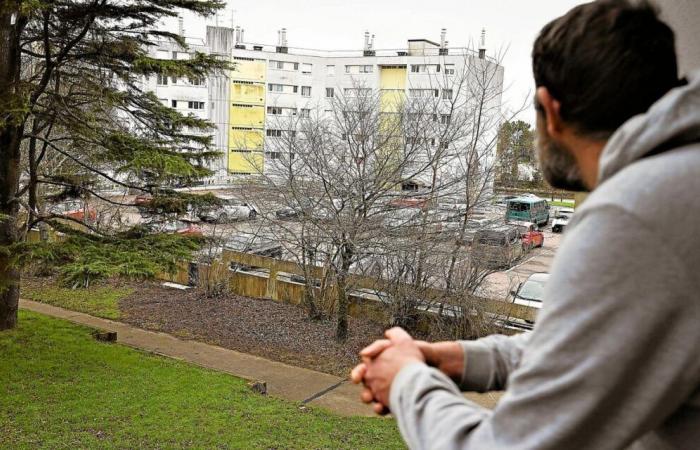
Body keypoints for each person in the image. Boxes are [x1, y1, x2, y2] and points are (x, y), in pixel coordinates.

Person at [351, 0, 700, 448]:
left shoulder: (635, 214)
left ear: (549, 109)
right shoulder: (680, 188)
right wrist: (459, 359)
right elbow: (594, 351)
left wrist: (405, 382)